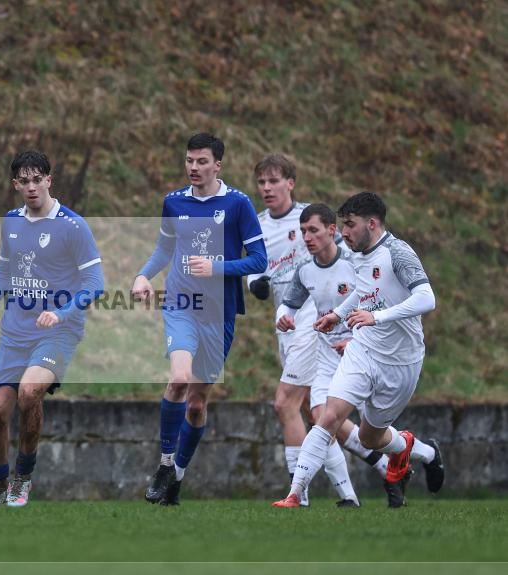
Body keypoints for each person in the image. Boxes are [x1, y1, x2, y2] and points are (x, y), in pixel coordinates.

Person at [274, 192, 444, 508]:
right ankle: (295, 494)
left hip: (400, 361)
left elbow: (426, 298)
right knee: (327, 418)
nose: (345, 232)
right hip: (362, 350)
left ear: (372, 223)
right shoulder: (357, 256)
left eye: (350, 225)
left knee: (370, 438)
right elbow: (364, 292)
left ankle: (413, 448)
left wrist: (376, 316)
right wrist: (337, 315)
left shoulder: (397, 252)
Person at [0, 151, 104, 508]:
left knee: (29, 393)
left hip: (58, 332)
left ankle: (23, 478)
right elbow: (3, 274)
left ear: (49, 180)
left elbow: (95, 283)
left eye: (37, 179)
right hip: (14, 334)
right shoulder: (11, 222)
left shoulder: (72, 226)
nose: (31, 187)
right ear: (16, 185)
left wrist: (62, 312)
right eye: (23, 181)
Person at [132, 133, 267, 505]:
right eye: (189, 160)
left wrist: (216, 266)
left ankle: (176, 476)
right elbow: (164, 248)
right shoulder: (174, 203)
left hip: (219, 313)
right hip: (180, 303)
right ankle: (163, 463)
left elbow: (259, 261)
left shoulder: (238, 204)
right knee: (178, 380)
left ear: (217, 165)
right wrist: (144, 275)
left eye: (201, 161)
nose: (193, 167)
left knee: (196, 404)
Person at [247, 154, 326, 506]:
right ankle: (393, 460)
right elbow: (252, 267)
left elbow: (340, 260)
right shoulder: (257, 225)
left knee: (286, 404)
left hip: (319, 323)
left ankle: (299, 494)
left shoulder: (311, 219)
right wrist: (255, 284)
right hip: (287, 326)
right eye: (261, 182)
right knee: (321, 412)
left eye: (273, 181)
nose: (266, 188)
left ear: (290, 183)